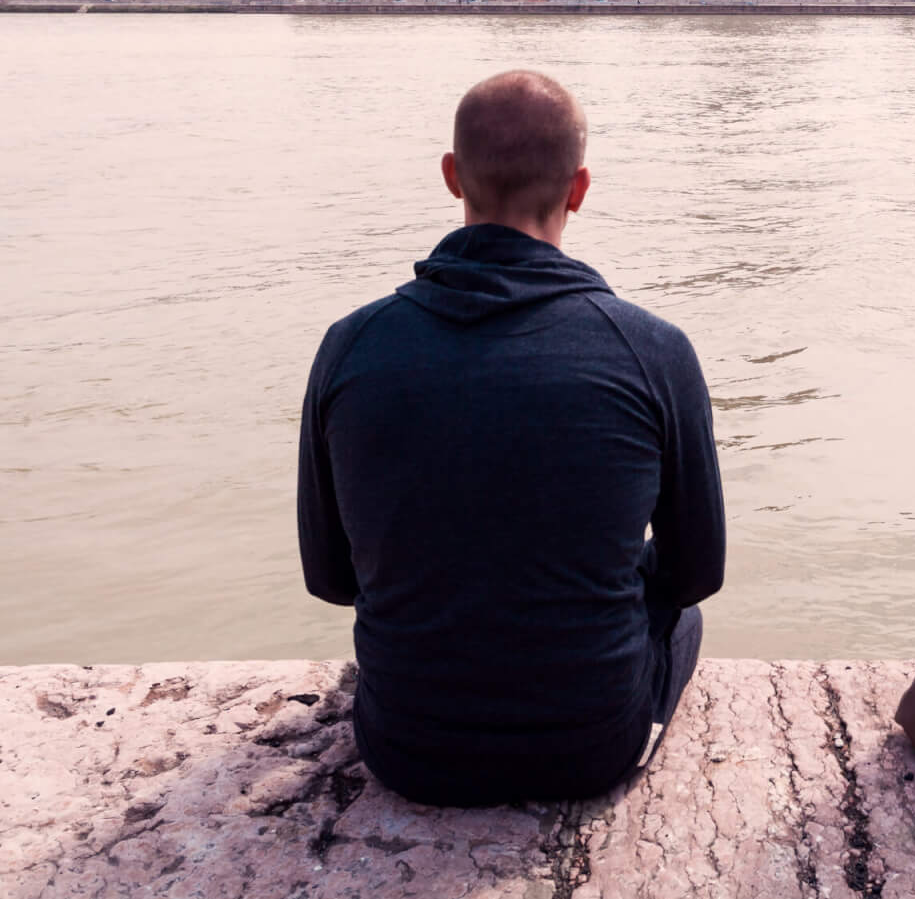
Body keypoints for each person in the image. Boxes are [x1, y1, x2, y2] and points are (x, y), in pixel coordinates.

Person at [297, 69, 725, 806]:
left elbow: (332, 578)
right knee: (680, 615)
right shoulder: (653, 351)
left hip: (406, 748)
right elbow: (695, 574)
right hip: (590, 749)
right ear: (580, 188)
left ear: (451, 176)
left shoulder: (350, 346)